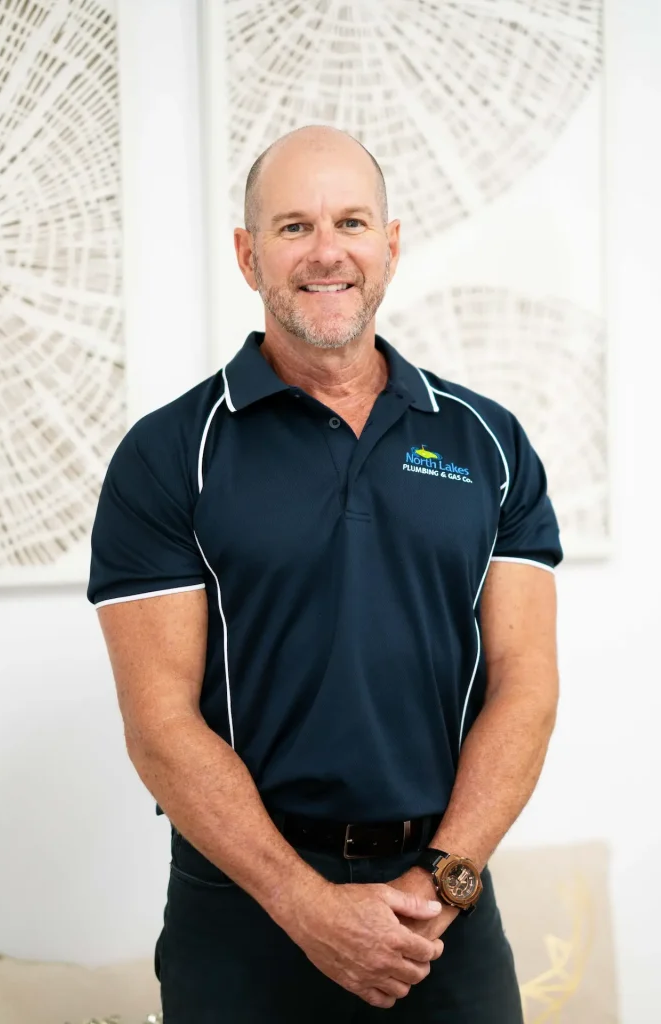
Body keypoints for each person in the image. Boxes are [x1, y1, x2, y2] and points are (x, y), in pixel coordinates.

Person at [88, 125, 562, 1023]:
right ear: (248, 254)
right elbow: (158, 725)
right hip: (243, 904)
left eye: (350, 222)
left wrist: (443, 881)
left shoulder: (488, 442)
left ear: (390, 244)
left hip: (442, 899)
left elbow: (525, 685)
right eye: (293, 226)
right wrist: (304, 904)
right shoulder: (168, 454)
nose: (326, 252)